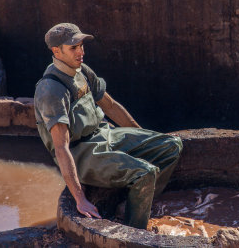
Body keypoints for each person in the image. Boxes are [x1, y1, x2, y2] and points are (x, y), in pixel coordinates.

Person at [34, 23, 182, 229]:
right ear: (56, 51)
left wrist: (141, 136)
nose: (81, 52)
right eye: (73, 48)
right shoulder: (51, 90)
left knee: (172, 145)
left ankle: (139, 202)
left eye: (81, 46)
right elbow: (61, 148)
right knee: (144, 173)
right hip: (81, 154)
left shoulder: (82, 70)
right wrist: (80, 198)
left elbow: (111, 107)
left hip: (105, 134)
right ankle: (134, 230)